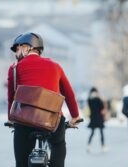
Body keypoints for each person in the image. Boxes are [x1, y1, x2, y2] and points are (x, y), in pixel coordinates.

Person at [7, 32, 81, 167]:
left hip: (24, 121)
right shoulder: (55, 66)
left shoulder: (14, 68)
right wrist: (75, 116)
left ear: (26, 47)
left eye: (17, 49)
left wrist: (11, 119)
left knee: (21, 162)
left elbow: (11, 98)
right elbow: (69, 94)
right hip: (52, 121)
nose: (16, 53)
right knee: (58, 145)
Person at [87, 87, 108, 152]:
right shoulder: (98, 99)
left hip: (93, 118)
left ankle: (88, 146)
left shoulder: (89, 100)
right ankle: (103, 146)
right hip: (99, 118)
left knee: (92, 132)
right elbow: (102, 108)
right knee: (101, 132)